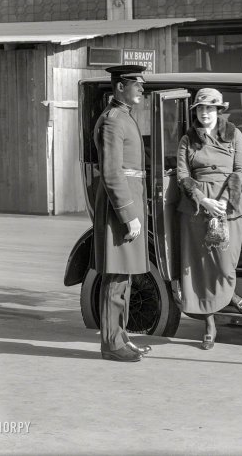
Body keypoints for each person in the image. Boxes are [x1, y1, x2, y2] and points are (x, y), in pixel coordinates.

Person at [177, 88, 242, 350]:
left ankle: (228, 293)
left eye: (210, 108)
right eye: (200, 108)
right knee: (201, 270)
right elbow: (183, 175)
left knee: (224, 263)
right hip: (198, 209)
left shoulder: (234, 135)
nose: (205, 113)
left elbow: (241, 171)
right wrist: (203, 199)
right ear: (195, 112)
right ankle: (209, 324)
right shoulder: (187, 139)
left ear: (219, 110)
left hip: (227, 206)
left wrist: (224, 199)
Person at [92, 65, 152, 362]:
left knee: (124, 278)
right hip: (119, 209)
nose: (141, 88)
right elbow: (112, 173)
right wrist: (128, 214)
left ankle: (120, 337)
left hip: (128, 202)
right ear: (119, 86)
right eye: (135, 84)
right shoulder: (113, 120)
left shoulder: (124, 117)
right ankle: (111, 344)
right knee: (115, 279)